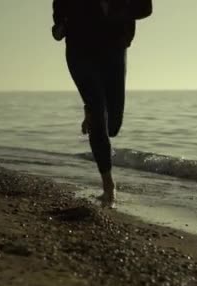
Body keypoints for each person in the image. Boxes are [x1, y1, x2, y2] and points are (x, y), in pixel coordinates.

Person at [51, 0, 152, 208]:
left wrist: (113, 11)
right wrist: (60, 25)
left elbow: (145, 8)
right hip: (80, 48)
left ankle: (92, 109)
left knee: (113, 125)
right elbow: (59, 12)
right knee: (99, 115)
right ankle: (108, 185)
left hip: (113, 47)